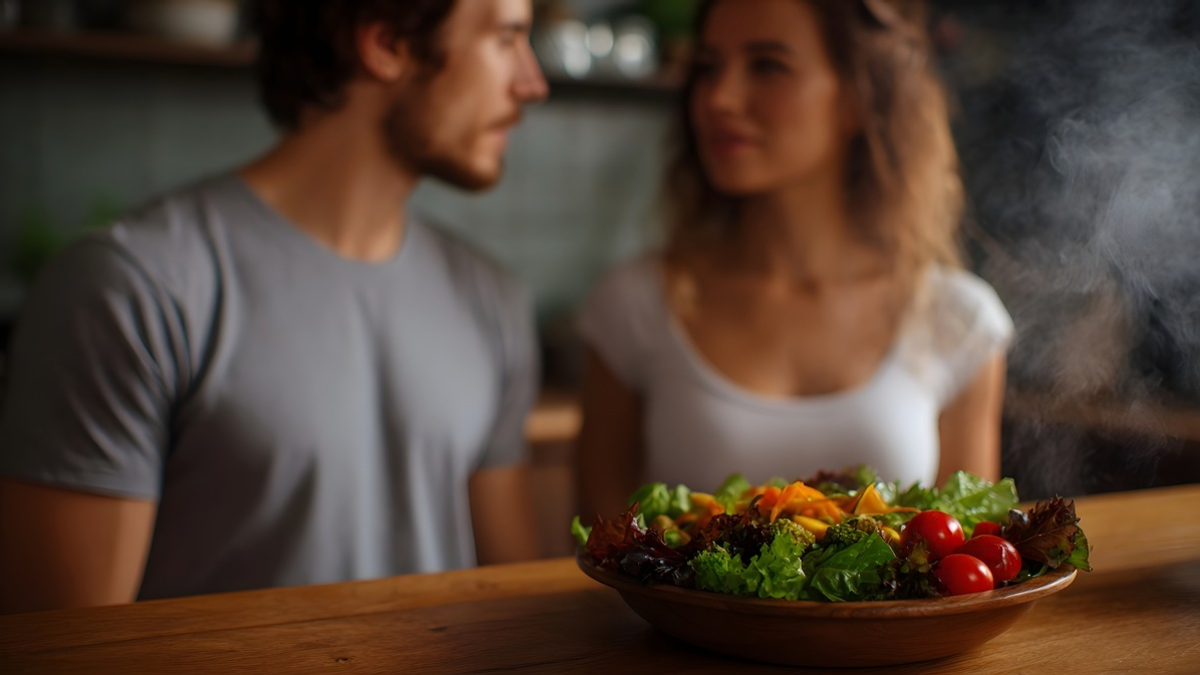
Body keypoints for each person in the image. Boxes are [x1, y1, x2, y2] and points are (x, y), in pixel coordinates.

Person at [0, 0, 549, 613]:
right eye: (506, 38)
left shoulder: (490, 298)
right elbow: (65, 651)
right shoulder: (131, 289)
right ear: (386, 44)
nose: (533, 82)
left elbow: (511, 604)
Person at [575, 0, 1013, 518]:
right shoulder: (635, 306)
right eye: (708, 67)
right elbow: (598, 548)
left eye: (767, 65)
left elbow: (968, 563)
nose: (719, 97)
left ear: (857, 97)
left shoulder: (956, 319)